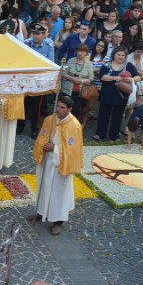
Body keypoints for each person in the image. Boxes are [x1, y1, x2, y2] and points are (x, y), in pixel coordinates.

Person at [32, 97, 83, 235]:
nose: (58, 110)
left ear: (69, 109)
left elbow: (73, 151)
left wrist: (54, 148)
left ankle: (58, 221)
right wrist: (43, 146)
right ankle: (41, 212)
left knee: (58, 193)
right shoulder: (50, 119)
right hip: (47, 160)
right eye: (57, 106)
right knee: (44, 187)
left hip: (61, 165)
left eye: (62, 108)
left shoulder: (74, 126)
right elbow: (41, 136)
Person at [95, 46, 138, 141]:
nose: (121, 57)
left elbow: (137, 77)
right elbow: (102, 76)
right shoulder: (107, 65)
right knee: (103, 115)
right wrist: (115, 78)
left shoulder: (128, 65)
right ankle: (100, 134)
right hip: (106, 94)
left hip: (121, 96)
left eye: (123, 55)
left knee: (117, 117)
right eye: (119, 54)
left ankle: (114, 136)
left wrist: (130, 79)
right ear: (114, 55)